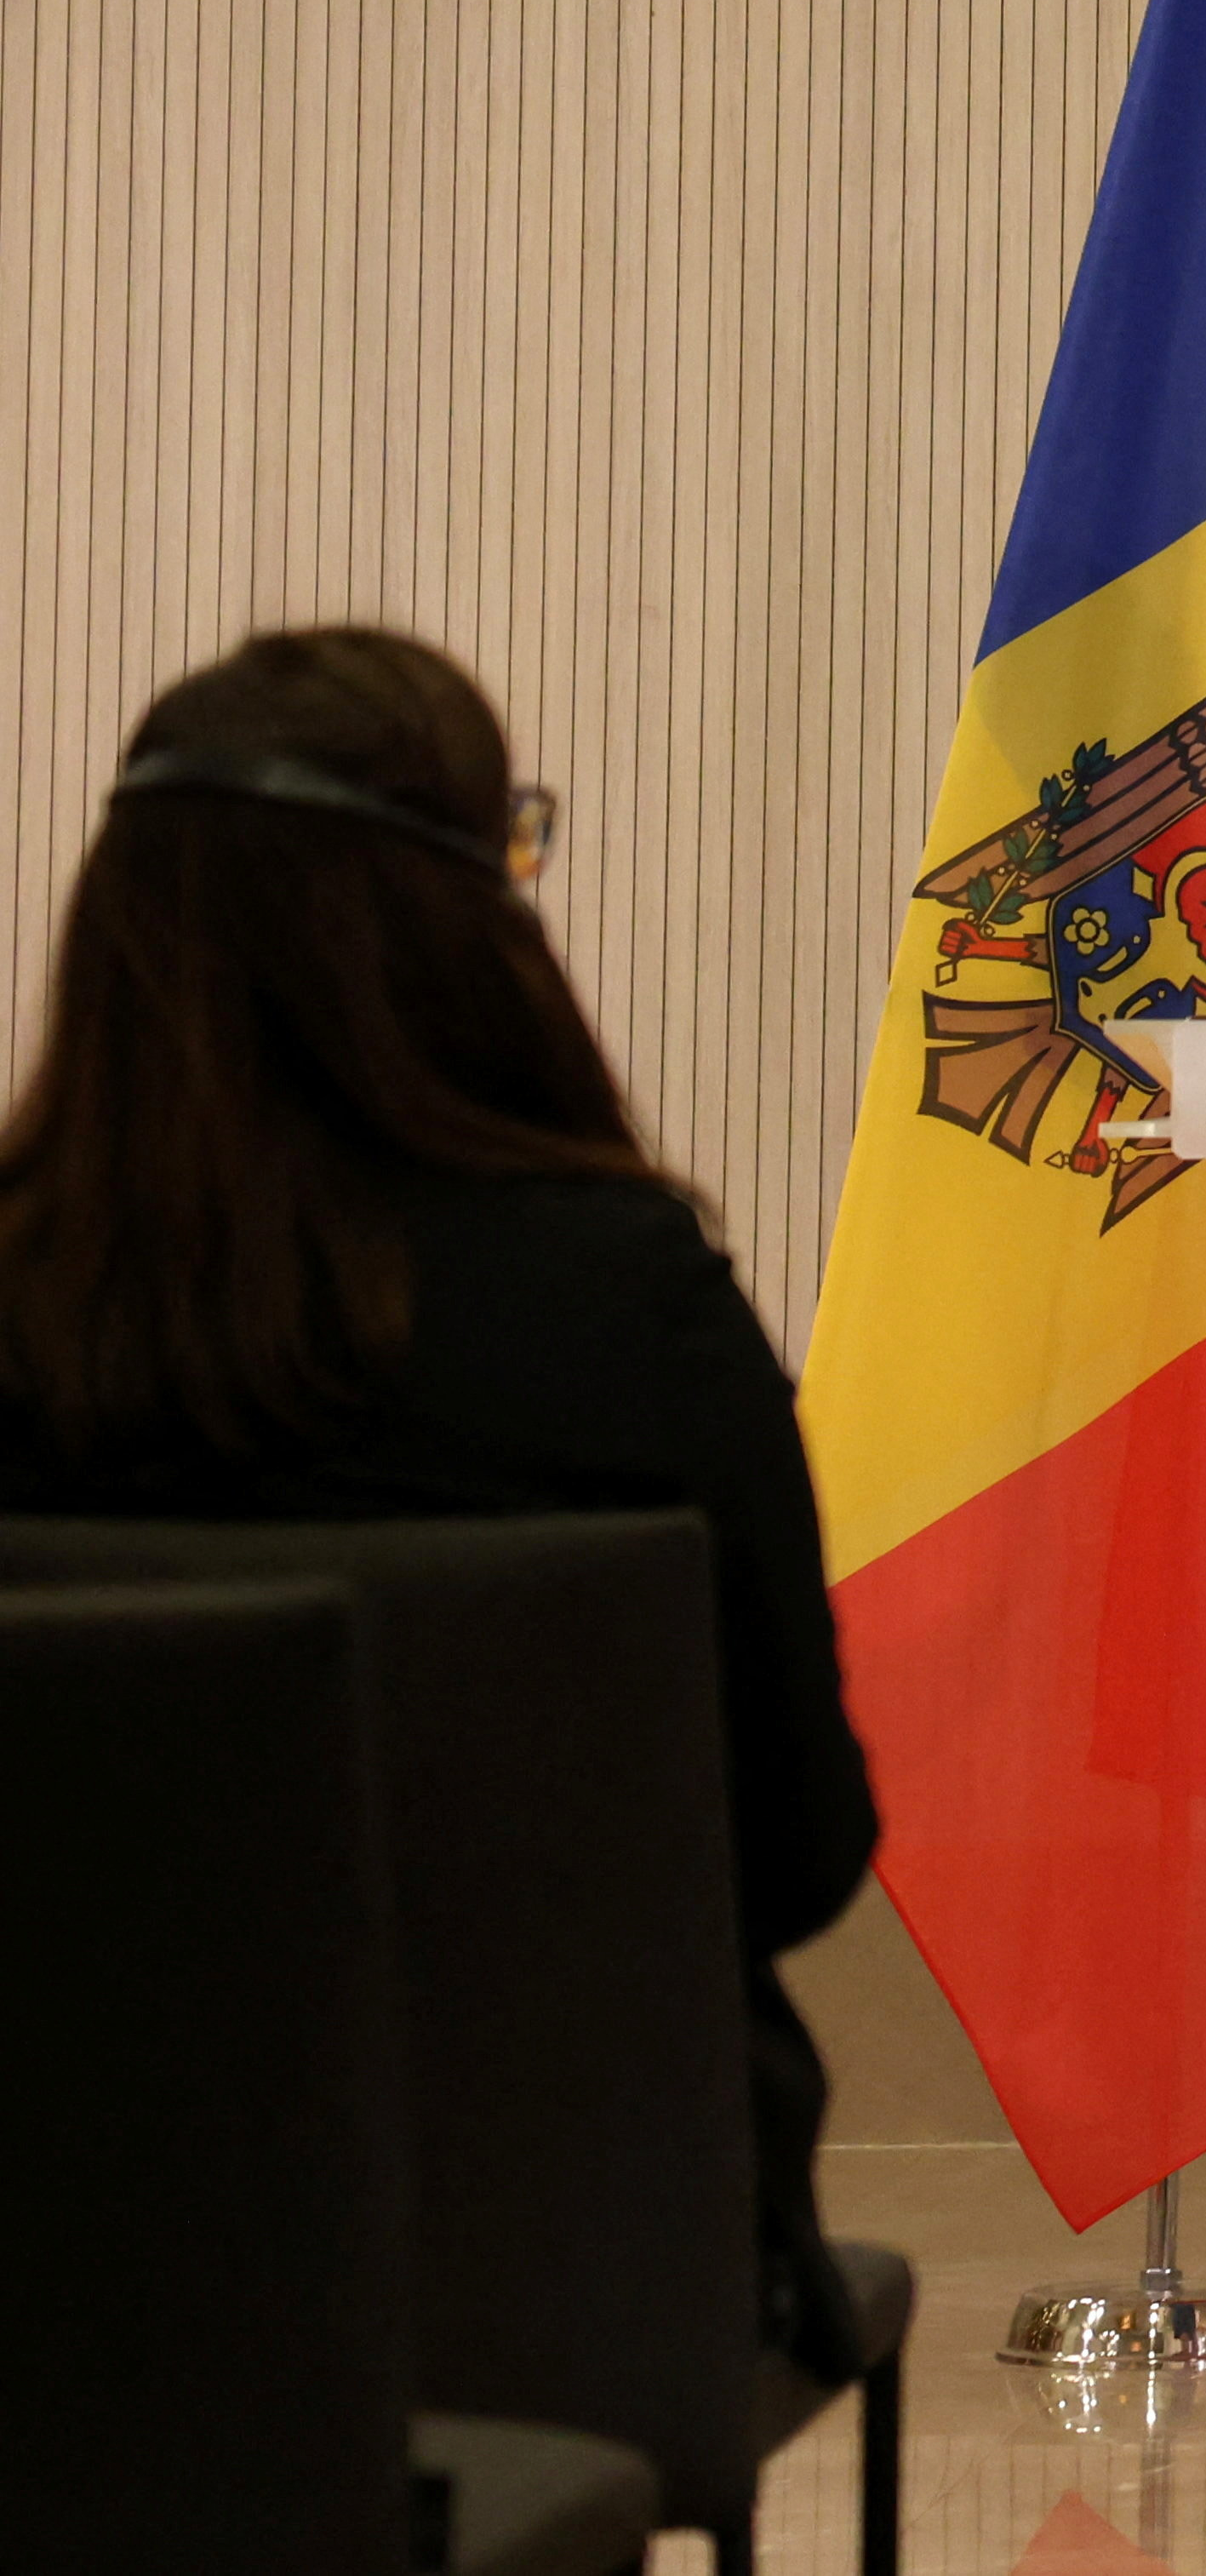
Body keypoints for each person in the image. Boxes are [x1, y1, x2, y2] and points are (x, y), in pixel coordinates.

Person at [0, 627, 883, 2376]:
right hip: (565, 2264)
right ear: (464, 919)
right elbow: (794, 1851)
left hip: (62, 2263)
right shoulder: (618, 1298)